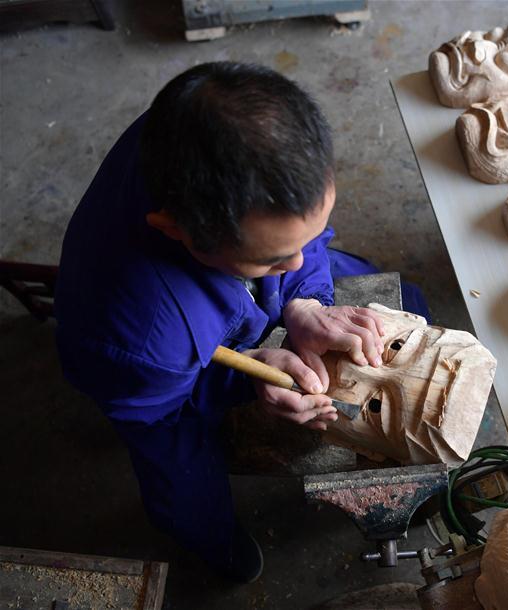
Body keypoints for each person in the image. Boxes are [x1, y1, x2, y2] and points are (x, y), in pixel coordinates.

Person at [54, 62, 401, 582]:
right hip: (150, 378)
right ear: (174, 228)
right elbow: (171, 400)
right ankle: (216, 549)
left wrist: (304, 301)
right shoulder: (140, 342)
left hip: (208, 286)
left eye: (309, 232)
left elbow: (299, 249)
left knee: (363, 286)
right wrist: (248, 374)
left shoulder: (213, 124)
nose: (298, 262)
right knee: (184, 475)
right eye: (273, 258)